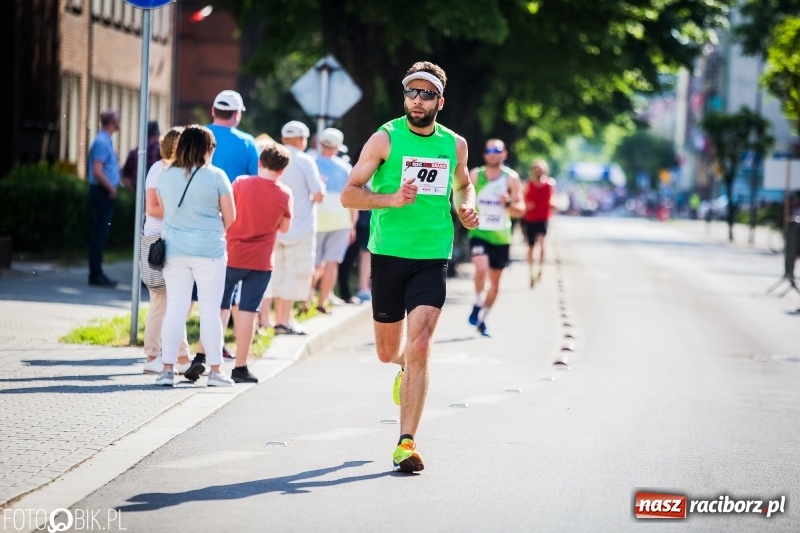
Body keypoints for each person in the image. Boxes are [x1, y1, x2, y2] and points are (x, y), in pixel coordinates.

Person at [341, 61, 479, 473]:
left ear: (440, 100)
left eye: (426, 94)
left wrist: (467, 207)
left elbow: (464, 184)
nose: (417, 100)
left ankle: (406, 443)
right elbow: (349, 194)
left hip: (432, 255)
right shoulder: (385, 139)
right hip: (388, 253)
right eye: (411, 93)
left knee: (421, 344)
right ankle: (401, 366)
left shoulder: (454, 145)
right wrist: (391, 200)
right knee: (389, 353)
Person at [155, 124, 236, 387]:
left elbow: (166, 210)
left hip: (174, 252)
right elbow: (231, 216)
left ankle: (166, 370)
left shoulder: (164, 175)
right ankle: (215, 371)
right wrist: (211, 231)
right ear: (207, 148)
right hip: (210, 252)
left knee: (176, 308)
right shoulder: (217, 176)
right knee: (210, 310)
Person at [219, 142, 293, 383]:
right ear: (282, 170)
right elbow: (284, 227)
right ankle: (240, 366)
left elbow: (226, 211)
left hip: (232, 253)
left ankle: (207, 358)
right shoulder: (284, 193)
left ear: (260, 162)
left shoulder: (240, 183)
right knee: (248, 312)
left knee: (219, 307)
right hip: (261, 260)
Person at [201, 89, 260, 359]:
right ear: (237, 115)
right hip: (229, 221)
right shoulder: (248, 143)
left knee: (183, 290)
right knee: (225, 287)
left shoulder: (195, 135)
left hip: (191, 216)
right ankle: (217, 343)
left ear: (213, 111)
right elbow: (254, 184)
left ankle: (174, 349)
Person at [262, 120, 325, 336]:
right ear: (301, 139)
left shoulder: (271, 157)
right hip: (301, 226)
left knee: (276, 272)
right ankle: (284, 321)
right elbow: (318, 195)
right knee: (295, 273)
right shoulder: (305, 161)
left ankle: (273, 319)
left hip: (274, 225)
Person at [140, 126, 192, 375]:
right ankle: (152, 356)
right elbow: (152, 208)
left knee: (175, 302)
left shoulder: (175, 170)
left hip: (170, 239)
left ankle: (182, 358)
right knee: (161, 300)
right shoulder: (160, 170)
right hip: (158, 241)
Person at [467, 139, 525, 337]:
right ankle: (476, 301)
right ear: (484, 154)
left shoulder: (511, 179)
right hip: (479, 232)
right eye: (489, 150)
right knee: (481, 269)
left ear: (504, 154)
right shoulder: (475, 175)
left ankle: (482, 319)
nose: (492, 153)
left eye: (496, 150)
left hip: (501, 236)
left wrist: (509, 204)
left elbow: (520, 210)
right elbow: (462, 199)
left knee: (495, 285)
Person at [310, 127, 357, 313]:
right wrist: (352, 224)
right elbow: (352, 198)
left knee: (315, 262)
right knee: (332, 263)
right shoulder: (345, 168)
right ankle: (322, 302)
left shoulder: (312, 163)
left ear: (321, 144)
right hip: (340, 219)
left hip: (317, 217)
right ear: (337, 147)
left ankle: (306, 299)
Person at [87, 109, 122, 287]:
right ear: (112, 122)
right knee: (99, 234)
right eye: (118, 118)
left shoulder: (105, 140)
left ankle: (97, 272)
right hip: (102, 193)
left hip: (103, 192)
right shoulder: (102, 142)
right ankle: (96, 274)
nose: (120, 121)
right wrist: (111, 188)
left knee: (100, 233)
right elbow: (97, 170)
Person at [522, 158, 556, 287]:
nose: (538, 171)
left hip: (543, 219)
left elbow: (554, 197)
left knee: (542, 244)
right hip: (530, 219)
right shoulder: (528, 184)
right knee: (531, 248)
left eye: (540, 169)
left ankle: (540, 270)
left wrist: (553, 203)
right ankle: (531, 273)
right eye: (536, 168)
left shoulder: (550, 184)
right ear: (533, 170)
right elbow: (521, 198)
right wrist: (526, 205)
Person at [121, 120, 161, 191]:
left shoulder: (134, 152)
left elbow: (124, 177)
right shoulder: (161, 151)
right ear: (158, 134)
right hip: (156, 195)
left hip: (138, 196)